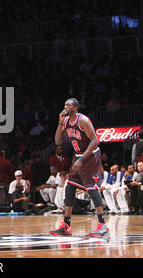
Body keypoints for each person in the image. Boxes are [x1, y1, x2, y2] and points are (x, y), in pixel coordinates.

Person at [50, 98, 108, 238]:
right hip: (78, 155)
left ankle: (103, 226)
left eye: (69, 105)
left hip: (90, 156)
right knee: (70, 186)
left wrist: (82, 159)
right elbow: (58, 141)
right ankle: (66, 225)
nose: (66, 107)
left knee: (91, 187)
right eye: (64, 104)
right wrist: (60, 122)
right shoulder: (65, 121)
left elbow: (95, 141)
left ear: (75, 108)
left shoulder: (83, 120)